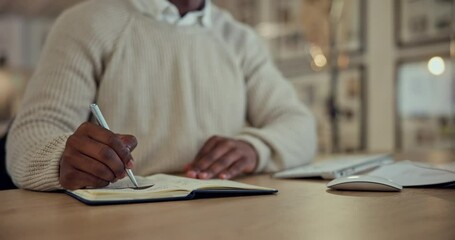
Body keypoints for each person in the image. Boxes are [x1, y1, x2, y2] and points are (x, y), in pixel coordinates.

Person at [6, 0, 317, 191]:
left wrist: (254, 147)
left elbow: (300, 126)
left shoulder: (240, 40)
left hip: (222, 221)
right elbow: (26, 141)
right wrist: (63, 158)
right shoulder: (86, 23)